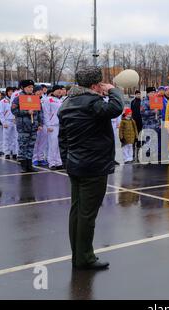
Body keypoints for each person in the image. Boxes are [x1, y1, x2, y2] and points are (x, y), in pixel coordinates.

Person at [58, 66, 124, 270]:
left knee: (77, 212)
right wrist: (113, 90)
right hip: (93, 167)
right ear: (95, 85)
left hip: (75, 165)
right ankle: (84, 258)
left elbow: (63, 140)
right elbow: (116, 108)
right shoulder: (93, 103)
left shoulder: (67, 103)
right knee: (87, 215)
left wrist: (68, 162)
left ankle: (78, 255)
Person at [11, 80, 44, 173]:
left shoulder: (35, 98)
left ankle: (29, 165)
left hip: (33, 127)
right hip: (23, 127)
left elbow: (40, 112)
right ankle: (23, 166)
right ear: (23, 88)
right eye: (29, 87)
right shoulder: (18, 98)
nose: (31, 89)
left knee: (31, 146)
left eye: (32, 87)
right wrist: (26, 112)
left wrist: (40, 124)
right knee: (23, 146)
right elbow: (13, 111)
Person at [45, 85, 64, 170]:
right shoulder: (48, 99)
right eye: (58, 90)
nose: (60, 91)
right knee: (52, 144)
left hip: (60, 125)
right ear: (53, 91)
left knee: (59, 144)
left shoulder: (61, 100)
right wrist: (48, 125)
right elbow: (46, 113)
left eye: (60, 89)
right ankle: (52, 163)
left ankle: (58, 162)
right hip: (52, 125)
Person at [0, 87, 18, 160]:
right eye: (9, 91)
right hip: (7, 121)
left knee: (15, 138)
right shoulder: (3, 101)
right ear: (6, 92)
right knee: (6, 138)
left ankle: (14, 152)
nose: (10, 93)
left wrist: (16, 118)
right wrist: (3, 122)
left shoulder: (15, 100)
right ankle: (7, 152)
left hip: (14, 121)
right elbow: (1, 113)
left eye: (12, 91)